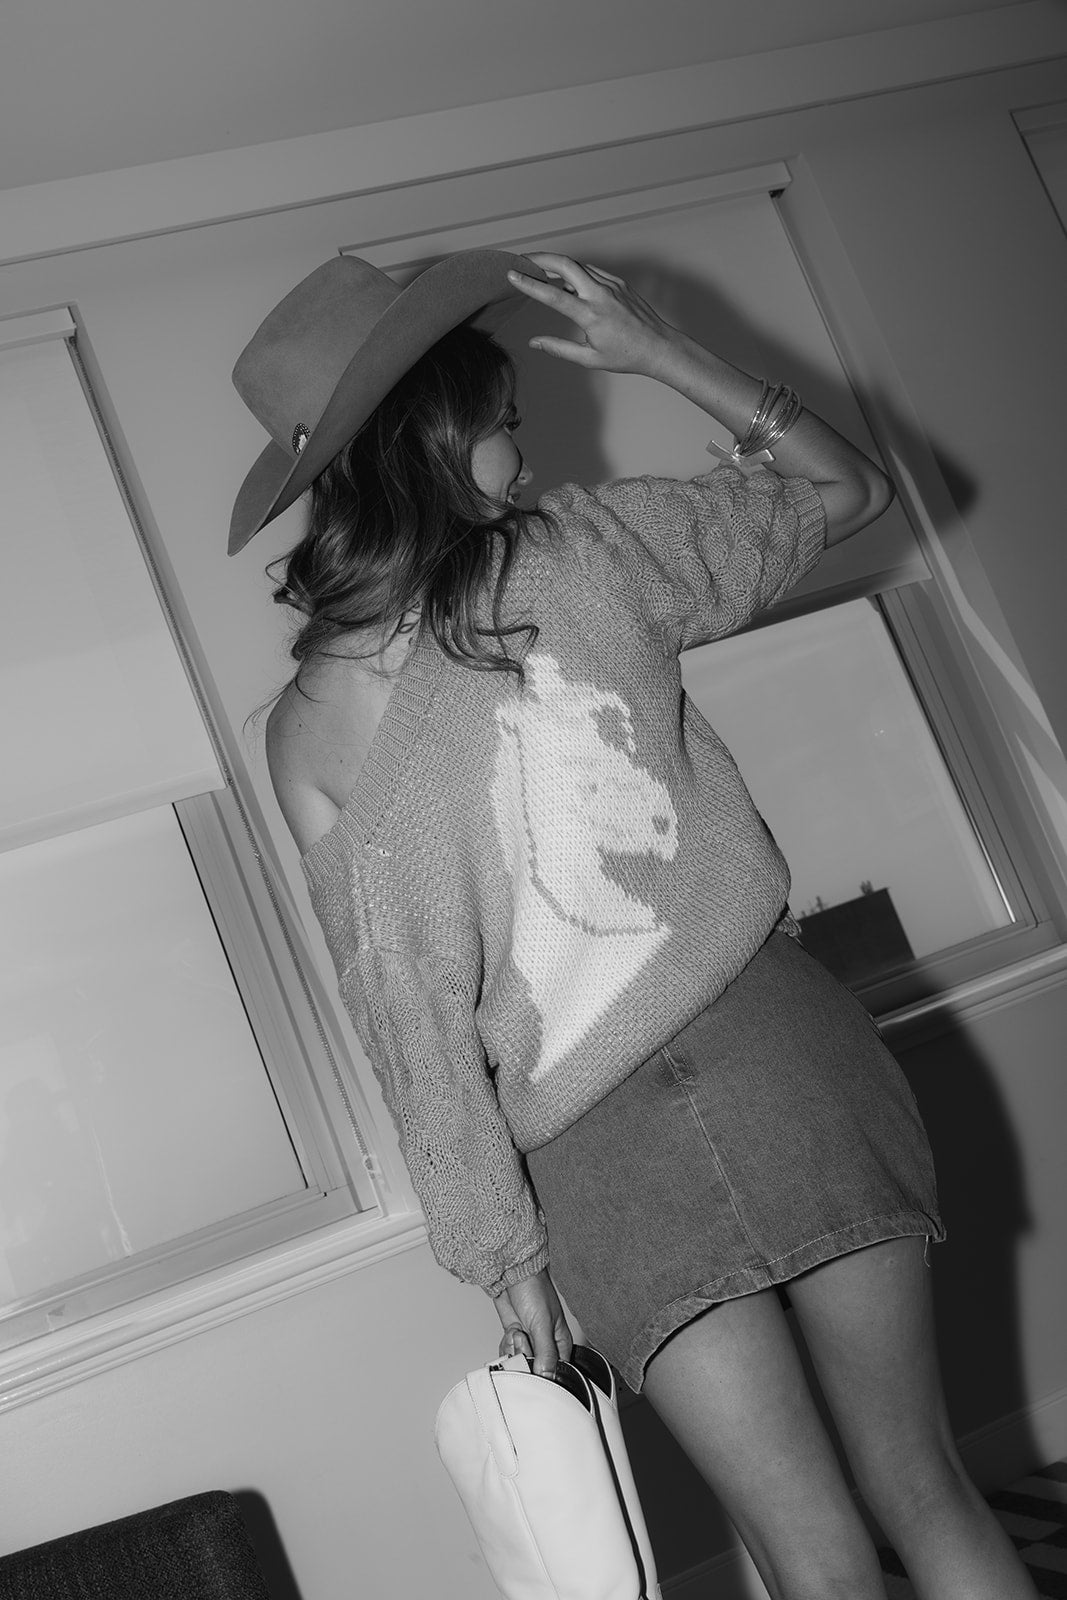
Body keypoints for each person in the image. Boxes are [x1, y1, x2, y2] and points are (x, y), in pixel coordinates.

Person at [229, 248, 1037, 1600]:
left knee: (811, 1558)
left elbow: (411, 1027)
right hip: (782, 1053)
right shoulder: (588, 551)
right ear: (437, 434)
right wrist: (665, 353)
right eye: (504, 423)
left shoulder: (307, 734)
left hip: (601, 1152)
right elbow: (849, 489)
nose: (524, 454)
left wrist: (503, 1262)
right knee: (925, 1487)